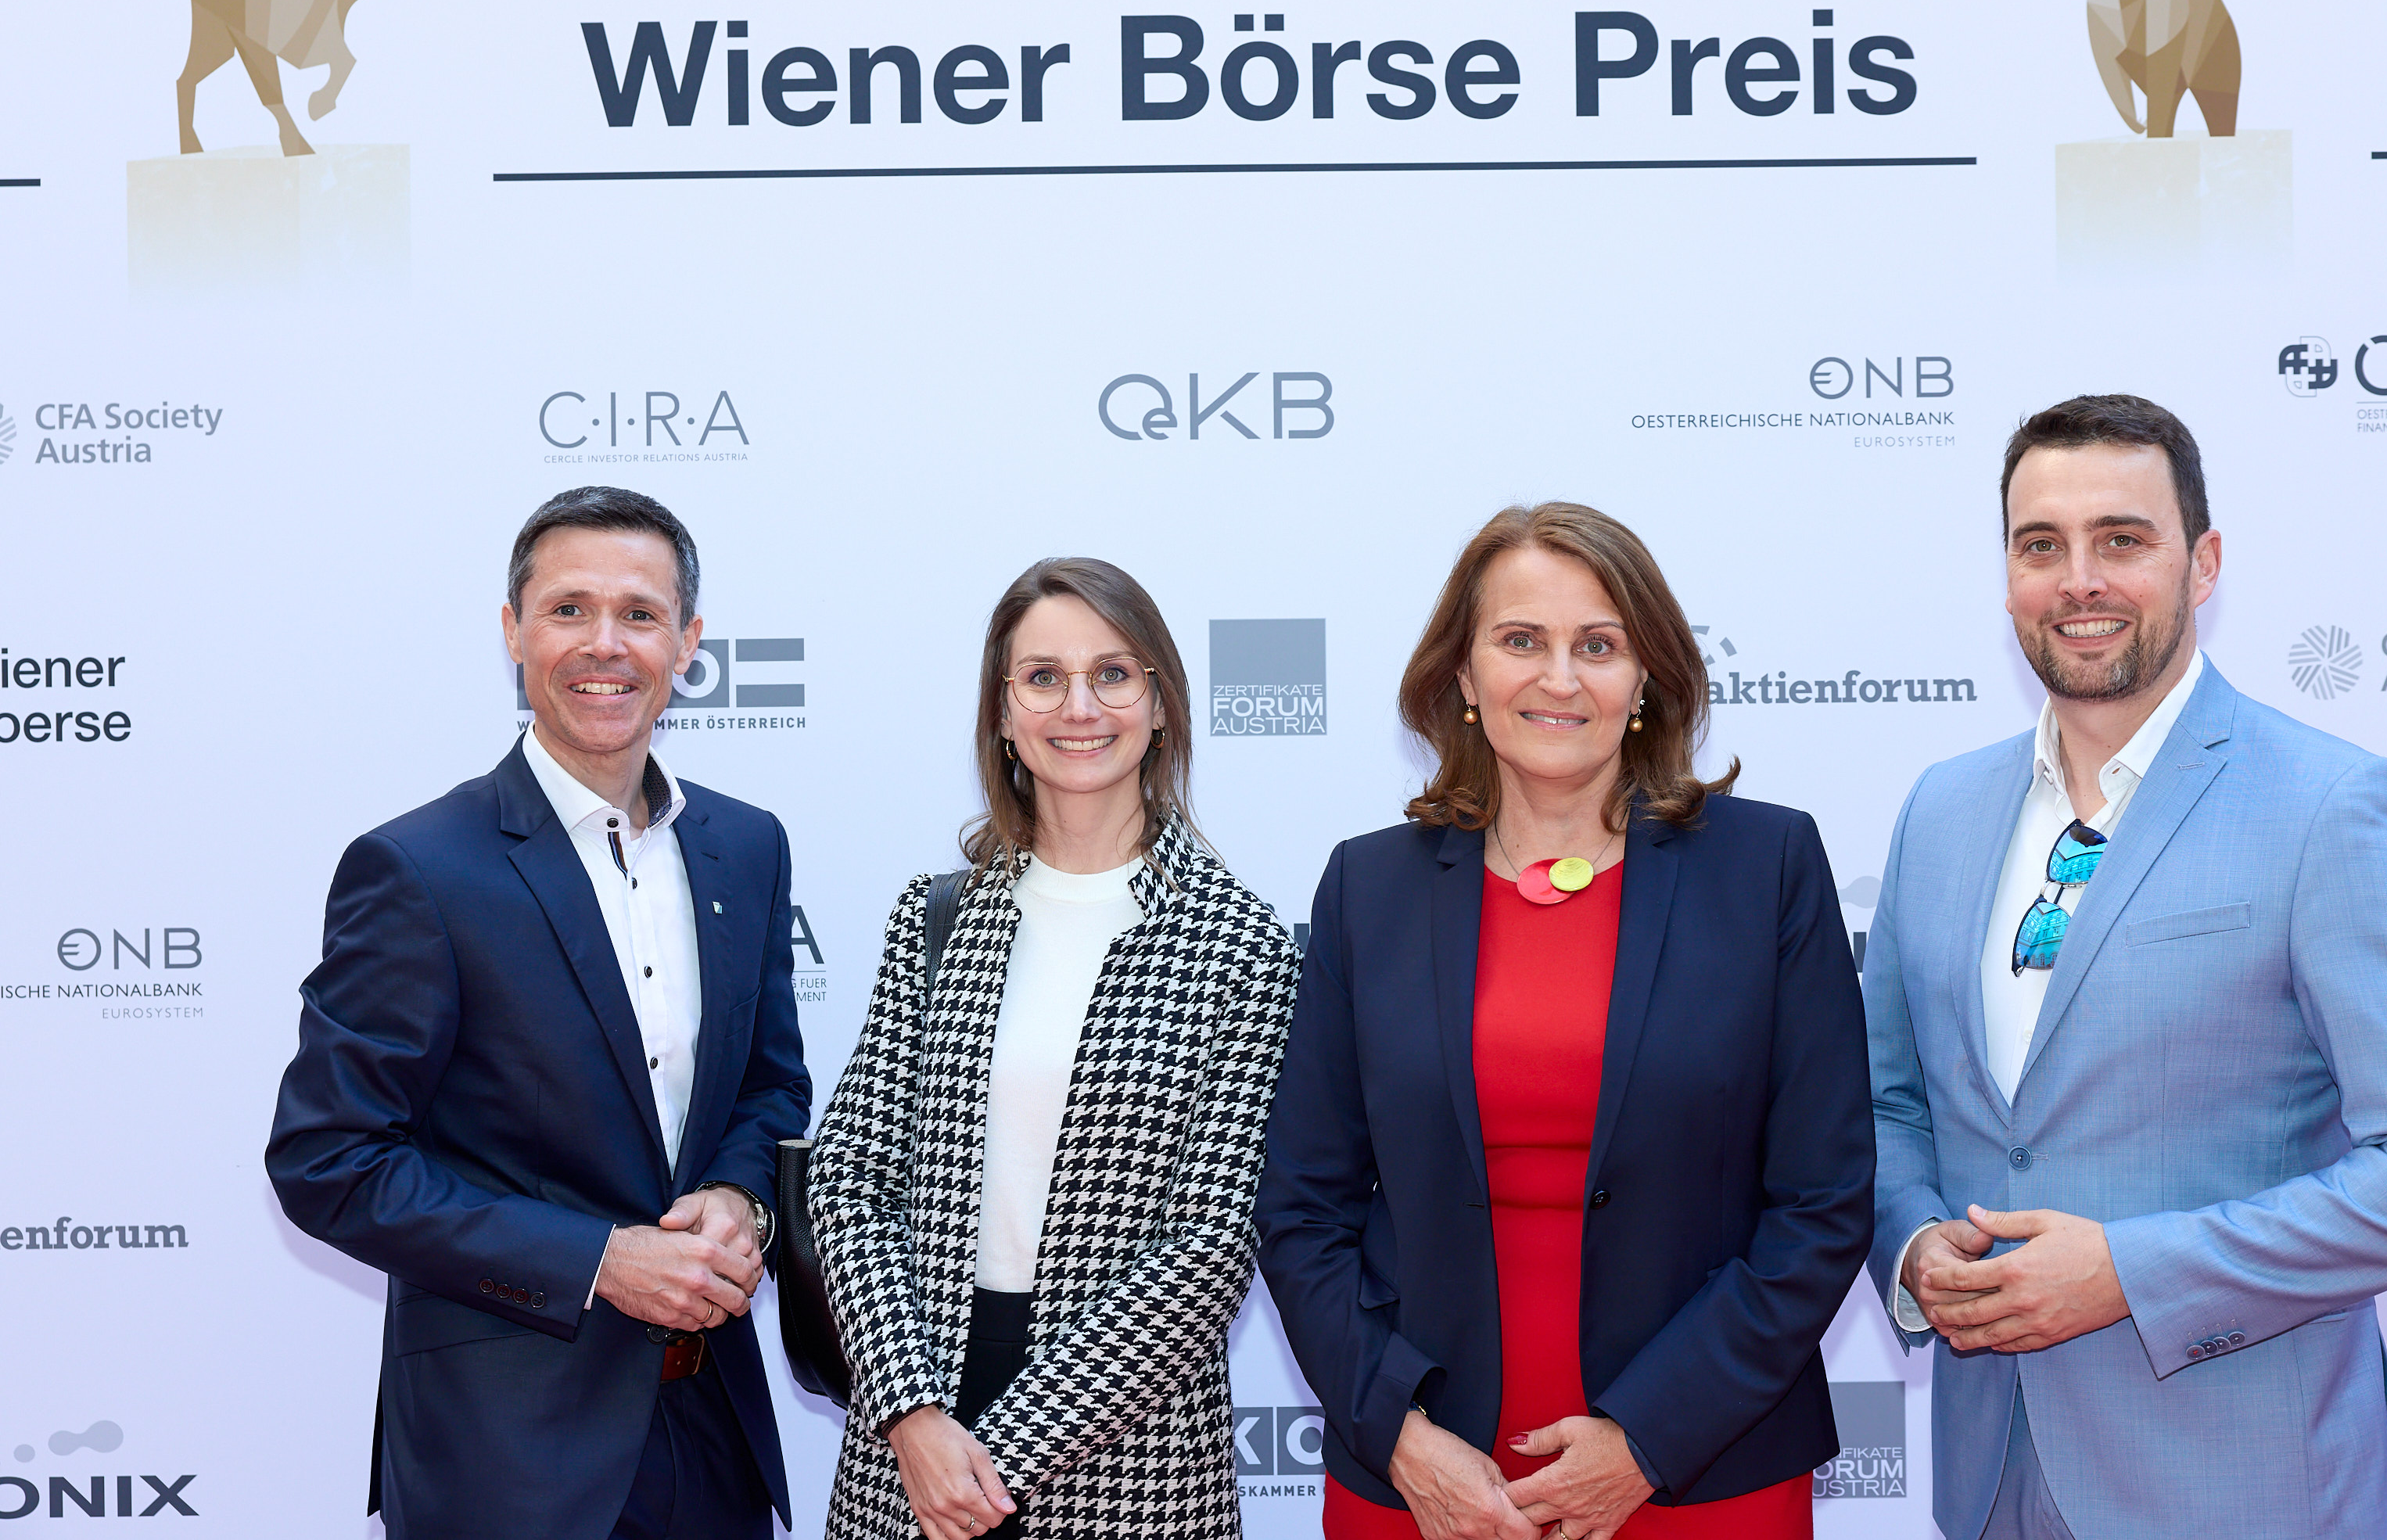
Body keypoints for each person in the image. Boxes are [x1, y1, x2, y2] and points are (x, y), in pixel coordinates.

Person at [1862, 395, 2387, 1540]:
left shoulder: (2327, 803)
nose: (2079, 581)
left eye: (2121, 539)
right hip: (1990, 1477)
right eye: (2040, 545)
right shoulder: (1939, 809)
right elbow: (1885, 1103)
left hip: (2244, 1487)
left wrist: (2135, 1271)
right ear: (2006, 575)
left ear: (2202, 563)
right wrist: (1912, 1245)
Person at [1257, 502, 1875, 1540]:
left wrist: (1648, 1440)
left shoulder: (1765, 866)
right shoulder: (1369, 887)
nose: (1559, 678)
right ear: (1463, 675)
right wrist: (1398, 1434)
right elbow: (1300, 1207)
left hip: (1700, 1468)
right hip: (1425, 1480)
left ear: (1646, 676)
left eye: (1597, 644)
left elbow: (1823, 1200)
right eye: (1519, 640)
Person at [267, 487, 810, 1540]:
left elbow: (769, 1083)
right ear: (513, 631)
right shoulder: (419, 867)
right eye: (569, 609)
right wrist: (599, 1259)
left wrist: (739, 1197)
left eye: (640, 613)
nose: (605, 644)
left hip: (716, 1434)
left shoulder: (747, 846)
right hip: (507, 1460)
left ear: (688, 642)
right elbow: (327, 1159)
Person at [810, 557, 1301, 1540]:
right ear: (1003, 712)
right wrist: (913, 1413)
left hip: (1129, 1449)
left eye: (1112, 674)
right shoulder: (934, 917)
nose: (1079, 706)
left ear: (1160, 704)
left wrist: (1003, 1448)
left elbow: (1211, 1246)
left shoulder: (1241, 944)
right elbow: (850, 1176)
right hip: (911, 1440)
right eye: (1042, 677)